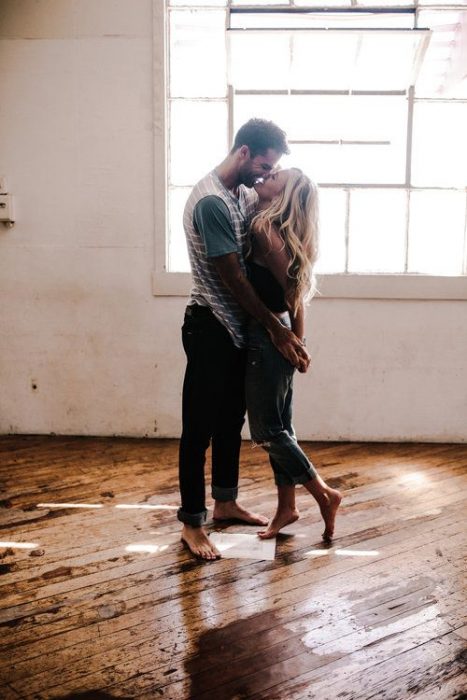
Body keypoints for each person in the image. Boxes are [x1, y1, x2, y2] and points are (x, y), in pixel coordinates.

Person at [179, 119, 310, 560]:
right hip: (210, 326)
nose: (264, 174)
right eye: (263, 164)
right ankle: (192, 523)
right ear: (243, 152)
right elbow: (234, 279)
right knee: (198, 428)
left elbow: (286, 213)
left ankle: (226, 501)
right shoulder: (213, 203)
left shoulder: (241, 193)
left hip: (237, 330)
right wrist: (279, 329)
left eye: (270, 168)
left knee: (230, 421)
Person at [245, 167, 342, 541]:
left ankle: (324, 494)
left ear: (281, 196)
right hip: (280, 334)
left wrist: (292, 343)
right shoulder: (277, 230)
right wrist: (298, 343)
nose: (264, 179)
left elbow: (290, 291)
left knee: (268, 431)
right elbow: (295, 297)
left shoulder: (263, 231)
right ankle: (287, 507)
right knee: (282, 428)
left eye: (274, 179)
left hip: (267, 336)